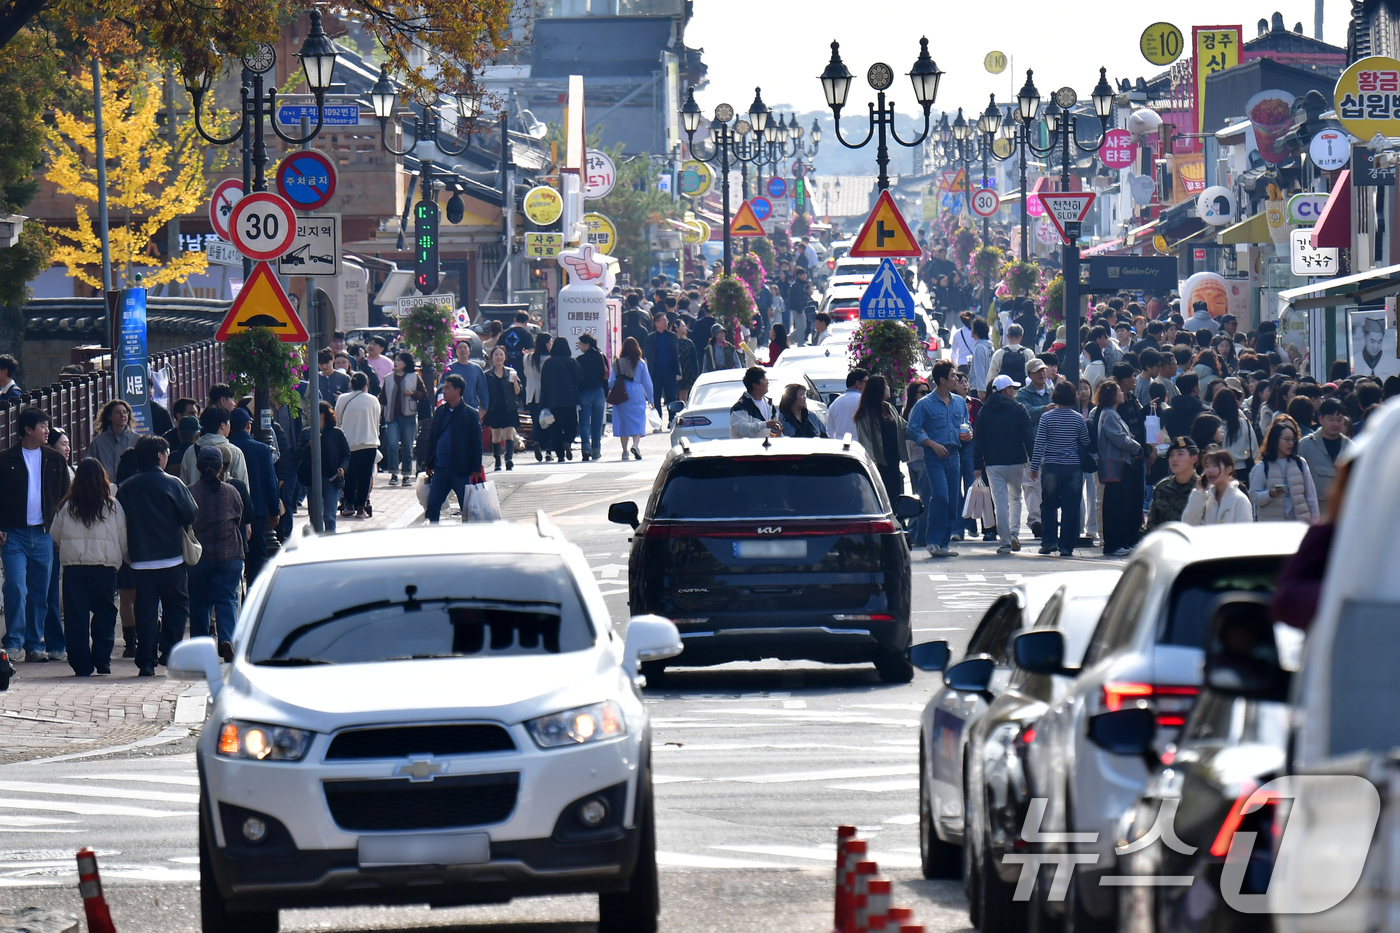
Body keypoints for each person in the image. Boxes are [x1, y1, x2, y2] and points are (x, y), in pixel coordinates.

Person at [116, 436, 196, 676]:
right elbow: (191, 514)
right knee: (177, 604)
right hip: (171, 557)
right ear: (160, 455)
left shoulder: (127, 487)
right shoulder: (173, 484)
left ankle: (146, 660)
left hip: (140, 560)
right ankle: (169, 648)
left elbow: (120, 522)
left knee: (146, 609)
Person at [0, 408, 71, 662]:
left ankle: (34, 643)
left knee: (40, 592)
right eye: (43, 426)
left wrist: (60, 533)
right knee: (16, 586)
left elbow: (65, 498)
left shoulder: (55, 459)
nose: (47, 431)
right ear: (28, 429)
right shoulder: (5, 458)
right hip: (14, 535)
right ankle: (14, 641)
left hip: (44, 534)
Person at [49, 458, 127, 676]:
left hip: (75, 567)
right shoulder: (112, 505)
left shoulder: (67, 506)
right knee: (105, 612)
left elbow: (55, 534)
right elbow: (123, 538)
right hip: (104, 566)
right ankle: (102, 657)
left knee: (76, 617)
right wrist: (125, 560)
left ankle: (81, 663)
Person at [187, 445, 246, 656]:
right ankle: (227, 639)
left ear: (198, 466)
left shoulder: (191, 492)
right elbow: (239, 518)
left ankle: (200, 648)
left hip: (200, 556)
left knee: (200, 603)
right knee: (227, 599)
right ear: (222, 467)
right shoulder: (231, 492)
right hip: (229, 555)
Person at [907, 360, 968, 558]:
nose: (957, 379)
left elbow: (966, 425)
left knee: (953, 501)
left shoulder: (959, 402)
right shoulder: (924, 404)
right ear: (941, 380)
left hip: (954, 454)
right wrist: (932, 444)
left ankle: (944, 543)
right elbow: (912, 429)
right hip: (934, 456)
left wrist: (969, 434)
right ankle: (932, 541)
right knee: (940, 496)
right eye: (953, 376)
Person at [1028, 380, 1091, 557]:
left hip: (1051, 466)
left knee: (1048, 504)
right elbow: (1086, 441)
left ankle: (1048, 542)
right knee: (1071, 507)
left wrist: (1034, 466)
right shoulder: (1078, 418)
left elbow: (1039, 443)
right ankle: (1066, 546)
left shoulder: (1046, 417)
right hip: (1073, 467)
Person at [973, 374, 1032, 554]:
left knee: (999, 502)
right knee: (1015, 497)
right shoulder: (1019, 409)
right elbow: (1028, 438)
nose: (1014, 391)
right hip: (1016, 461)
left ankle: (1005, 541)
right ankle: (1014, 532)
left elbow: (978, 441)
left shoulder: (984, 410)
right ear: (1005, 390)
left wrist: (977, 466)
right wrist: (1034, 462)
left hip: (992, 463)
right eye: (1012, 388)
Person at [421, 373, 484, 523]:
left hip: (461, 470)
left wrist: (475, 467)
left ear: (458, 390)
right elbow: (433, 438)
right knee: (433, 505)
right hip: (441, 469)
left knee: (467, 508)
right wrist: (429, 462)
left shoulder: (469, 414)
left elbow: (477, 442)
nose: (445, 391)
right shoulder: (440, 412)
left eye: (448, 388)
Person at [226, 407, 278, 583]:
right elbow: (270, 482)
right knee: (257, 556)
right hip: (257, 511)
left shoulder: (227, 449)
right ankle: (254, 596)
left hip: (229, 512)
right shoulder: (262, 449)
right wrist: (275, 510)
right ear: (249, 425)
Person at [1094, 382, 1143, 557]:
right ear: (1111, 395)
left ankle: (1117, 542)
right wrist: (1137, 446)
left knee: (1118, 503)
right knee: (1116, 505)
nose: (1123, 394)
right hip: (1116, 464)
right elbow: (1118, 437)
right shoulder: (1110, 415)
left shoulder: (1111, 414)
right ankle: (1114, 543)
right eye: (1119, 391)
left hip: (1120, 463)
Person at [1249, 415, 1318, 523]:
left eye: (1293, 440)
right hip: (1273, 527)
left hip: (1299, 524)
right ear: (1275, 441)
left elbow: (1311, 496)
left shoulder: (1300, 463)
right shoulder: (1262, 467)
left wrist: (1315, 521)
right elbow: (1254, 496)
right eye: (1286, 439)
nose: (1291, 443)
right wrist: (1269, 494)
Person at [297, 401, 350, 533]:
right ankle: (316, 542)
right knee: (315, 517)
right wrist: (309, 446)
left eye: (312, 412)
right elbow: (299, 454)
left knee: (329, 516)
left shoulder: (337, 433)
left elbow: (346, 453)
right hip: (312, 480)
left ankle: (330, 541)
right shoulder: (306, 433)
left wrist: (342, 467)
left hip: (332, 480)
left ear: (321, 415)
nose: (309, 415)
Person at [334, 372, 381, 519]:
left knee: (349, 476)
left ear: (351, 384)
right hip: (369, 442)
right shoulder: (373, 400)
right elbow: (376, 421)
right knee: (365, 477)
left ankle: (349, 505)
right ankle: (361, 508)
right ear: (366, 385)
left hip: (348, 443)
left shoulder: (342, 398)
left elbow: (338, 420)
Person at [854, 375, 907, 505]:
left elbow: (904, 427)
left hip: (894, 461)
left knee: (896, 496)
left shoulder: (889, 408)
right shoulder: (866, 414)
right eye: (886, 386)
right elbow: (865, 442)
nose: (889, 389)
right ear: (879, 389)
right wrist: (871, 467)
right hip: (880, 464)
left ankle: (897, 523)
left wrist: (922, 434)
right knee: (883, 498)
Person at [1295, 397, 1353, 514]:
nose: (1336, 424)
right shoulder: (1306, 445)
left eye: (1340, 419)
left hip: (1343, 512)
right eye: (1331, 419)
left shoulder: (1351, 448)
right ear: (1321, 419)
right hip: (1313, 512)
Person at [1016, 359, 1052, 537]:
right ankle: (1035, 520)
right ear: (1029, 375)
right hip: (1031, 446)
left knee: (1049, 485)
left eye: (1044, 370)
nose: (1042, 374)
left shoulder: (1053, 391)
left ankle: (1048, 519)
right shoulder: (1023, 394)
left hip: (1052, 446)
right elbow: (1025, 412)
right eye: (1037, 371)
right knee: (1031, 484)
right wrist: (1045, 409)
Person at [380, 351, 423, 486]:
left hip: (408, 417)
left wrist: (413, 393)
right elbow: (382, 399)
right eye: (395, 359)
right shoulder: (388, 378)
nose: (396, 362)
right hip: (392, 417)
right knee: (392, 445)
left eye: (399, 360)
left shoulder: (414, 376)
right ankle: (393, 473)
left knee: (407, 446)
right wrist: (379, 416)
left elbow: (424, 394)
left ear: (406, 363)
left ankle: (406, 474)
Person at [1183, 446, 1254, 525]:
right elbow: (1188, 524)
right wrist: (1199, 493)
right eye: (1207, 466)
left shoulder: (1239, 499)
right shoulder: (1205, 498)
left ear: (1229, 469)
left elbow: (1244, 533)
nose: (1210, 470)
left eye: (1215, 465)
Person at [179, 407, 248, 487]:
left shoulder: (190, 452)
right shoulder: (235, 452)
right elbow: (242, 485)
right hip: (226, 498)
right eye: (228, 422)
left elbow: (183, 486)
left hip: (195, 498)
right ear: (222, 425)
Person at [609, 337, 653, 460]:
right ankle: (636, 445)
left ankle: (624, 451)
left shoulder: (617, 363)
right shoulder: (641, 363)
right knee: (638, 419)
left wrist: (610, 390)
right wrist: (651, 399)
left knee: (623, 422)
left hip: (621, 393)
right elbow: (648, 383)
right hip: (637, 393)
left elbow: (612, 381)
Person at [540, 337, 582, 461]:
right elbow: (579, 378)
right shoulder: (572, 362)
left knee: (555, 427)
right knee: (571, 424)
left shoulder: (548, 363)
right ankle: (568, 442)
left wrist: (544, 401)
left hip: (553, 401)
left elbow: (544, 383)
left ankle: (560, 455)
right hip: (570, 400)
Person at [1145, 437, 1200, 532]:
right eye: (1171, 455)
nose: (1174, 459)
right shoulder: (1162, 488)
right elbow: (1151, 526)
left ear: (1194, 458)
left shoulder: (1203, 489)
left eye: (1180, 454)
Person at [902, 381, 932, 548]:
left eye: (928, 392)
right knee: (923, 499)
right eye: (922, 392)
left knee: (917, 497)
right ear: (914, 394)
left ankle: (913, 532)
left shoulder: (909, 410)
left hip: (913, 459)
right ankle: (917, 534)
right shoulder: (919, 409)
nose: (926, 395)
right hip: (919, 457)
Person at [484, 345, 523, 471]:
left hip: (509, 407)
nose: (499, 357)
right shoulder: (487, 375)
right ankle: (497, 460)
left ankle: (508, 459)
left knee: (509, 435)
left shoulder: (511, 373)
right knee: (496, 436)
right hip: (495, 408)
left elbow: (517, 392)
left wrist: (516, 381)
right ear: (492, 358)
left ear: (505, 357)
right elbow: (484, 393)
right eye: (496, 355)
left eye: (501, 355)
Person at [85, 399, 140, 481]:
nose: (122, 415)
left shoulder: (137, 440)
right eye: (118, 412)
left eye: (125, 412)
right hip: (105, 488)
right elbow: (89, 467)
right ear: (109, 416)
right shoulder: (98, 442)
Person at [643, 312, 681, 423]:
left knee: (671, 397)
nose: (666, 323)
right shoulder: (650, 338)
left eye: (666, 320)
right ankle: (658, 421)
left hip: (670, 371)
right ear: (656, 323)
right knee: (656, 397)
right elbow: (648, 354)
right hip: (656, 372)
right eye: (663, 321)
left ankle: (672, 420)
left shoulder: (672, 336)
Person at [730, 367, 782, 438]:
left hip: (768, 448)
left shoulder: (769, 405)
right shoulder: (740, 407)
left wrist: (778, 434)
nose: (767, 382)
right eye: (764, 380)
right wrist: (765, 424)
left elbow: (773, 432)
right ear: (755, 385)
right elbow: (741, 429)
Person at [524, 332, 552, 461]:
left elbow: (526, 374)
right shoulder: (549, 359)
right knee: (548, 421)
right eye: (550, 342)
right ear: (546, 343)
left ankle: (536, 441)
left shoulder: (527, 358)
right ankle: (548, 450)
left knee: (536, 421)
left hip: (531, 395)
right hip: (546, 395)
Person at [444, 338, 489, 413]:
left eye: (465, 347)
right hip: (452, 407)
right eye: (460, 348)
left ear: (469, 351)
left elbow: (482, 389)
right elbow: (442, 387)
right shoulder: (449, 369)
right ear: (456, 352)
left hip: (472, 407)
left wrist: (484, 407)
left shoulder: (476, 369)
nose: (463, 350)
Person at [987, 323, 1035, 388]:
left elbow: (992, 376)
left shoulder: (999, 353)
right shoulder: (1028, 353)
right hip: (1023, 393)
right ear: (1021, 336)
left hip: (1004, 392)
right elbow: (1033, 374)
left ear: (1008, 336)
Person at [826, 369, 868, 442]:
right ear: (858, 383)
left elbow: (830, 431)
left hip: (839, 447)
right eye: (866, 382)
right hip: (859, 447)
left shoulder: (835, 403)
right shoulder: (865, 401)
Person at [675, 319, 699, 405]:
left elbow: (694, 358)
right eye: (683, 326)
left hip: (688, 370)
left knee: (686, 391)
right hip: (678, 369)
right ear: (677, 328)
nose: (685, 328)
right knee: (680, 392)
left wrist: (696, 372)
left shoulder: (688, 342)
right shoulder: (673, 341)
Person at [968, 319, 994, 397]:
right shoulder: (990, 347)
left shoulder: (979, 348)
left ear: (975, 331)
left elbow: (980, 370)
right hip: (989, 386)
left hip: (978, 389)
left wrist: (981, 390)